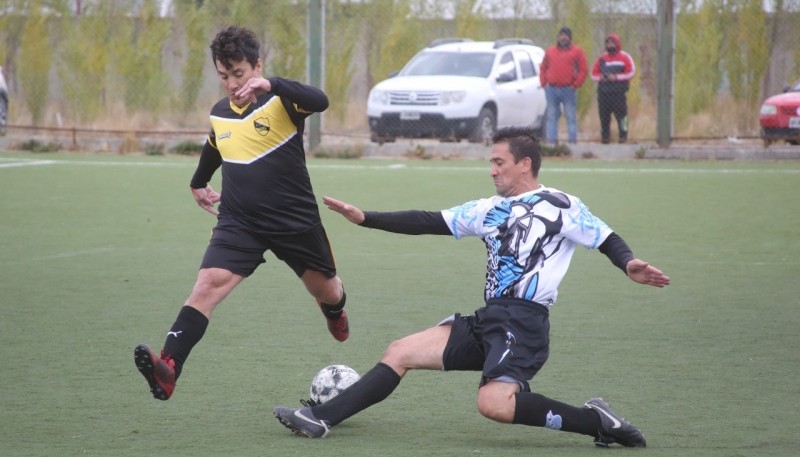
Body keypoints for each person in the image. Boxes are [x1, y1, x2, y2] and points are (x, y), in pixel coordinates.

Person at [273, 126, 670, 447]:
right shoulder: (487, 209)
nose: (492, 170)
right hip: (490, 320)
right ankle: (320, 418)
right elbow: (429, 220)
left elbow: (604, 237)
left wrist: (628, 262)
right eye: (491, 163)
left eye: (499, 162)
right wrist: (366, 218)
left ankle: (595, 421)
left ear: (525, 164)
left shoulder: (560, 204)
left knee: (493, 404)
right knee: (401, 351)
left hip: (525, 322)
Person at [133, 25, 350, 401]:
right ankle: (169, 367)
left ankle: (334, 312)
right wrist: (199, 181)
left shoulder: (282, 101)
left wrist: (273, 85)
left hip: (294, 222)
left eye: (239, 74)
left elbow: (322, 100)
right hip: (239, 221)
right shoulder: (219, 113)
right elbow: (216, 144)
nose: (232, 84)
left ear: (257, 67)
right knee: (207, 284)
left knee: (327, 291)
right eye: (223, 75)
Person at [539, 26, 588, 145]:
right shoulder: (550, 51)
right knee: (551, 117)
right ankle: (552, 145)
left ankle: (572, 145)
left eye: (566, 36)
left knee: (570, 117)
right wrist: (544, 83)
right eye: (561, 35)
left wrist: (576, 85)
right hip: (551, 89)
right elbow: (543, 67)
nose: (563, 38)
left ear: (570, 38)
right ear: (558, 37)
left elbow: (583, 69)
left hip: (568, 89)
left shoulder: (577, 51)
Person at [591, 33, 636, 144]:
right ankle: (605, 138)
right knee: (604, 117)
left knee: (622, 117)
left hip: (618, 93)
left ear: (617, 43)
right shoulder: (602, 58)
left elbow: (631, 72)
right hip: (604, 93)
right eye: (608, 43)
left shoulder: (625, 57)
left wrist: (616, 77)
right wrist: (601, 78)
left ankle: (623, 136)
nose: (610, 45)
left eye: (612, 43)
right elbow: (593, 74)